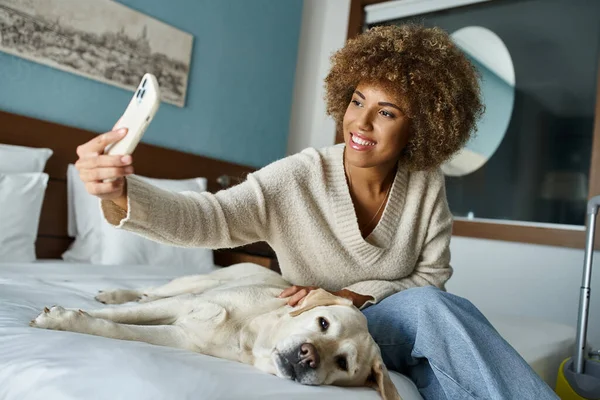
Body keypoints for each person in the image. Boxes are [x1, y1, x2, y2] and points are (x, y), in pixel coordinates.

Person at [75, 24, 558, 400]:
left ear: (423, 127)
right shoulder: (299, 177)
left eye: (387, 112)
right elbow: (211, 218)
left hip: (386, 328)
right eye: (357, 100)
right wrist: (121, 193)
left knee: (436, 315)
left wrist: (347, 295)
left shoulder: (426, 185)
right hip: (330, 338)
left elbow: (431, 279)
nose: (361, 122)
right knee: (439, 327)